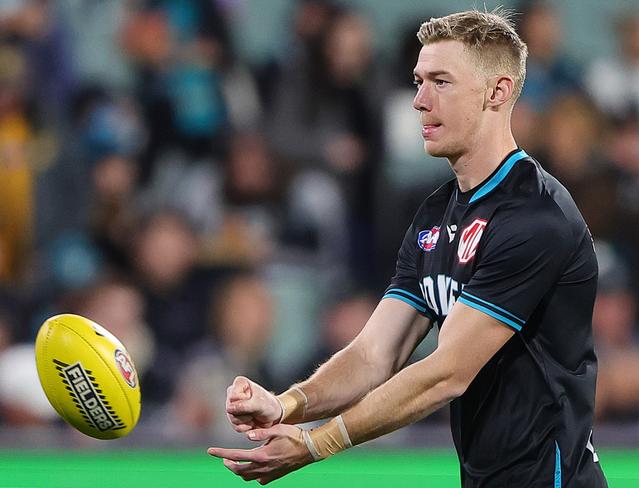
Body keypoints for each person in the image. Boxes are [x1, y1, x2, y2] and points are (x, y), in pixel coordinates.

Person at [207, 10, 609, 487]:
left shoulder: (536, 218)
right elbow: (376, 352)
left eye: (441, 82)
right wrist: (288, 404)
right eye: (418, 81)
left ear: (497, 93)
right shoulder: (435, 215)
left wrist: (317, 443)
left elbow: (447, 373)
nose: (419, 100)